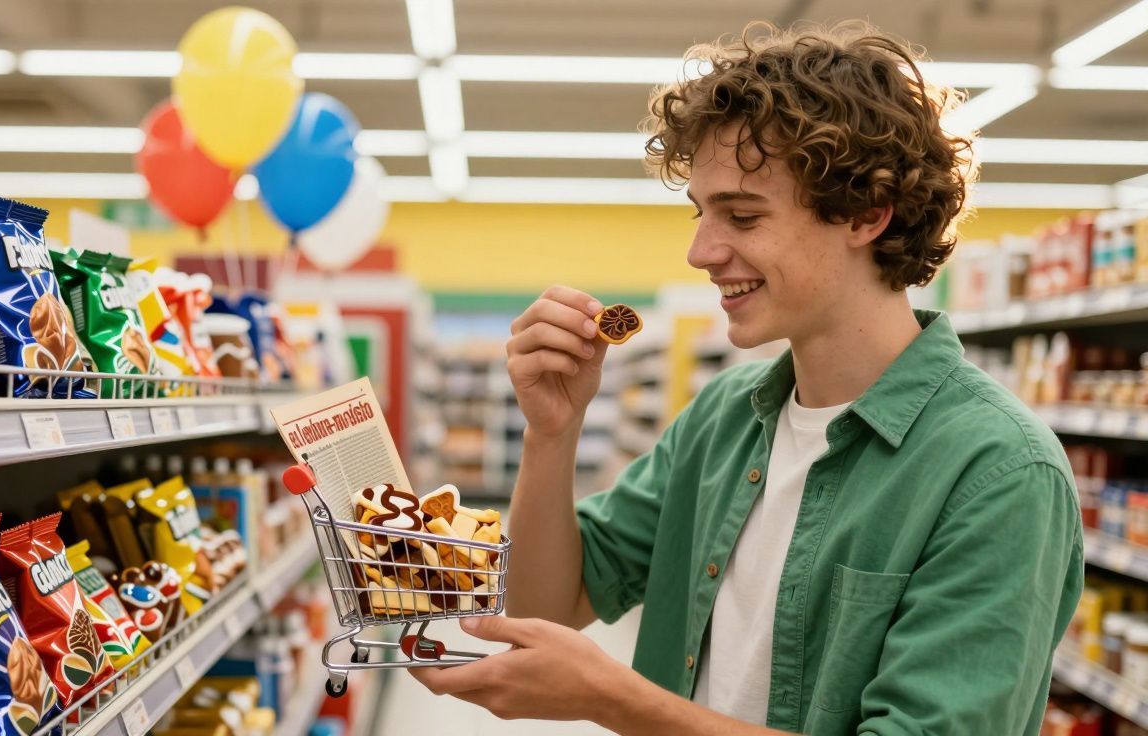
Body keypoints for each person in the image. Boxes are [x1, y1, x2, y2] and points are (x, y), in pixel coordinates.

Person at [410, 19, 1084, 736]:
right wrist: (553, 432)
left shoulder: (1000, 474)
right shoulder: (725, 418)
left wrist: (615, 699)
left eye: (742, 214)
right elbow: (551, 606)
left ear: (866, 213)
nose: (701, 250)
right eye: (703, 213)